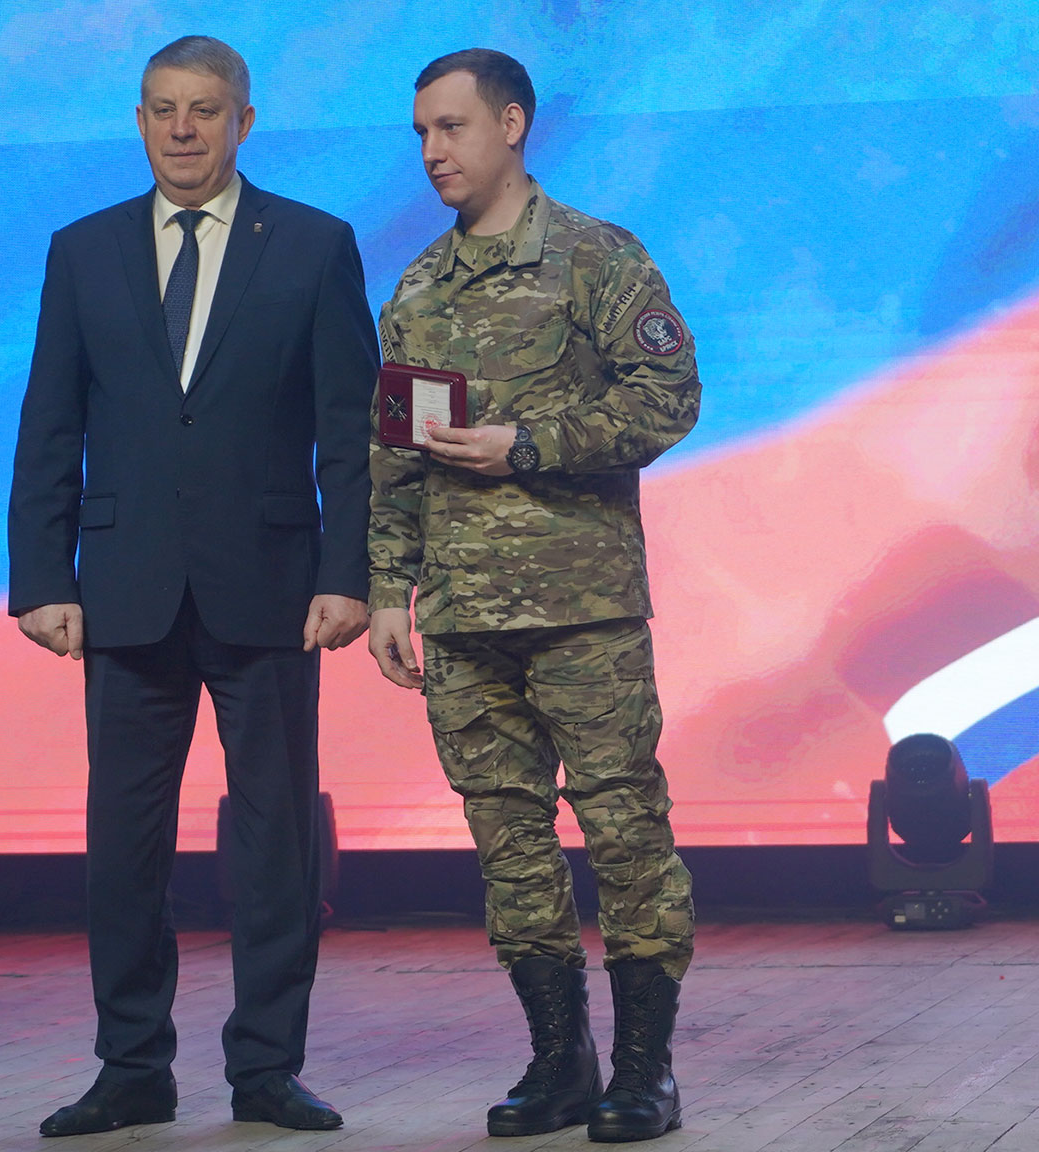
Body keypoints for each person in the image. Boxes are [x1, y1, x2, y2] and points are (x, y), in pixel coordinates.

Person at [7, 34, 377, 1138]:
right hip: (123, 593)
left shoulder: (313, 244)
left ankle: (266, 1069)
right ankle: (132, 1068)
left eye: (204, 109)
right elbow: (49, 424)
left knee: (273, 844)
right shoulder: (82, 250)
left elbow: (349, 433)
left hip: (271, 591)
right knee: (124, 847)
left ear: (242, 122)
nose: (182, 129)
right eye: (162, 109)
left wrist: (347, 573)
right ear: (138, 120)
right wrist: (41, 575)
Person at [365, 50, 698, 1143]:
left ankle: (644, 1070)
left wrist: (530, 444)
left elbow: (668, 399)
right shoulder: (419, 288)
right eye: (421, 132)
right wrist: (387, 591)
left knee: (625, 831)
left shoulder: (597, 258)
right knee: (509, 844)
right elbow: (396, 458)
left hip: (582, 609)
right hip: (464, 619)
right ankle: (560, 1061)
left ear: (512, 125)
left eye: (452, 127)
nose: (433, 152)